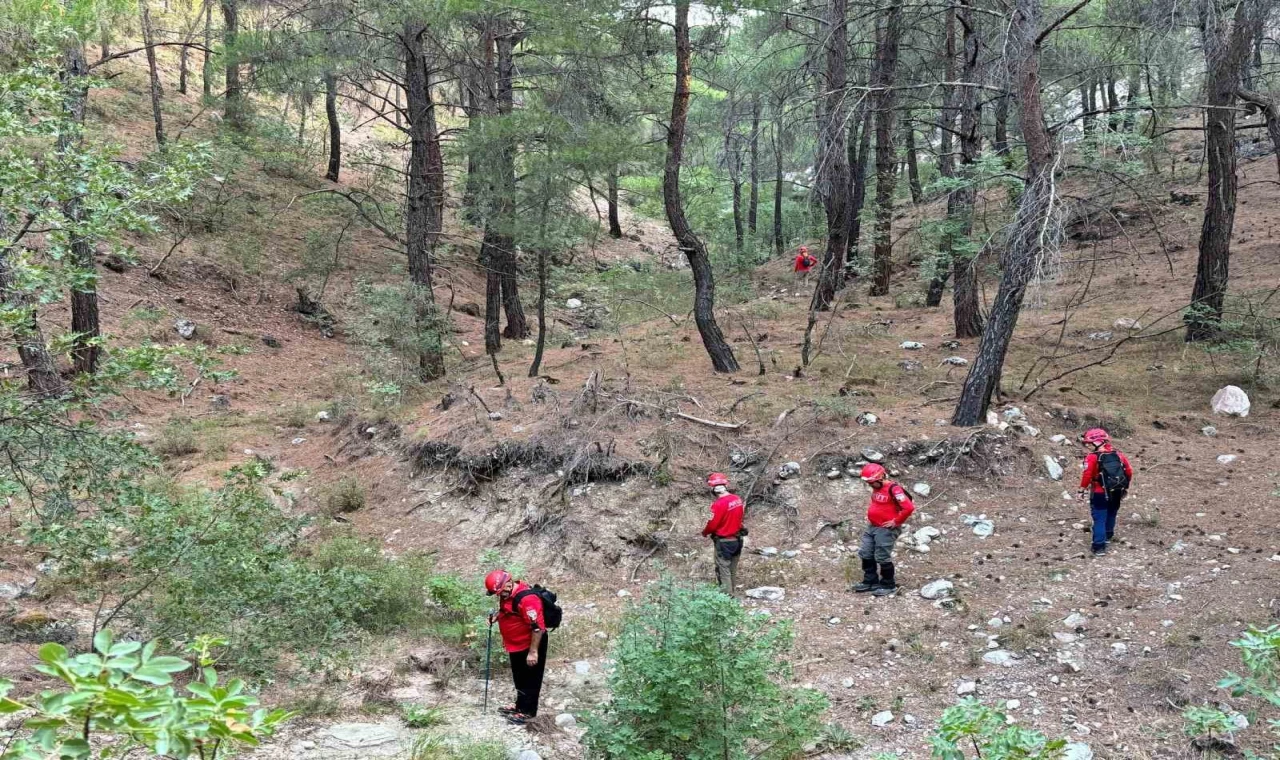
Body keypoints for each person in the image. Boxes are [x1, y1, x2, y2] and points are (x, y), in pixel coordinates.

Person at [485, 569, 549, 724]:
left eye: (499, 592)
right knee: (519, 677)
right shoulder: (507, 595)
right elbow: (509, 610)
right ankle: (519, 706)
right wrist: (497, 617)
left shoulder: (528, 600)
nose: (499, 595)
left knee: (531, 679)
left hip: (530, 644)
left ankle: (528, 712)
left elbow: (537, 628)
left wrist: (533, 652)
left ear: (508, 584)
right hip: (515, 645)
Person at [852, 463, 915, 597]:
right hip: (873, 526)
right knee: (865, 552)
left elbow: (908, 508)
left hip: (885, 529)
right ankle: (870, 581)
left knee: (882, 556)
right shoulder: (876, 487)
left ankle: (888, 584)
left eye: (872, 482)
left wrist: (895, 521)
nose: (870, 485)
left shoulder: (894, 489)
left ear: (880, 478)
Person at [1077, 428, 1133, 556]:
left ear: (1098, 442)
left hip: (1099, 492)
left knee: (1099, 518)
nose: (1088, 446)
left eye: (1089, 443)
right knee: (1112, 513)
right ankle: (1108, 536)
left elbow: (1087, 476)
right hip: (1117, 491)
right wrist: (1125, 487)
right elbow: (1129, 471)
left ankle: (1099, 547)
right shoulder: (1118, 454)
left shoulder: (1092, 457)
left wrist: (1081, 490)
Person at [701, 472, 745, 596]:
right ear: (725, 485)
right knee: (732, 568)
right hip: (737, 539)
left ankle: (727, 597)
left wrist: (705, 532)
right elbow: (740, 518)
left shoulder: (718, 504)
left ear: (713, 489)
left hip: (724, 541)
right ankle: (732, 592)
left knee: (723, 569)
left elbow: (713, 524)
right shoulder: (737, 499)